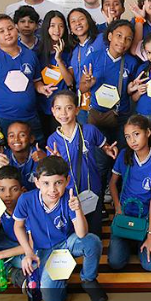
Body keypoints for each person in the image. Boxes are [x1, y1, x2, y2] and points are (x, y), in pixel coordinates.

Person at [13, 156, 108, 301]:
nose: (52, 189)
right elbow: (18, 226)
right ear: (37, 182)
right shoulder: (26, 199)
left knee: (92, 241)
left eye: (58, 183)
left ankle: (88, 279)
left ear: (67, 181)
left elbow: (82, 234)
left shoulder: (69, 198)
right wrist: (28, 252)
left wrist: (78, 210)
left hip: (66, 244)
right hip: (43, 251)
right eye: (46, 183)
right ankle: (61, 276)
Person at [46, 90, 118, 239]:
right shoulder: (52, 140)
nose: (63, 113)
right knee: (73, 232)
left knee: (94, 230)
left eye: (69, 107)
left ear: (77, 109)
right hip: (69, 195)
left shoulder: (90, 130)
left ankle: (93, 255)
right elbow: (53, 172)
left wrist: (108, 149)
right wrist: (56, 161)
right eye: (58, 108)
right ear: (53, 111)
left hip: (93, 190)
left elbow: (103, 145)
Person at [0, 13, 54, 143]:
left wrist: (42, 88)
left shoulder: (30, 55)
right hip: (5, 118)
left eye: (10, 28)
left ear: (16, 29)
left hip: (31, 116)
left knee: (37, 150)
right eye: (1, 31)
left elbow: (36, 82)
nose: (7, 33)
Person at [109, 115, 151, 272]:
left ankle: (138, 240)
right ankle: (130, 241)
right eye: (127, 136)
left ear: (147, 132)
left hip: (146, 219)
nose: (132, 140)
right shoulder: (123, 155)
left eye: (136, 134)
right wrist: (118, 208)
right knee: (115, 263)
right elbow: (112, 183)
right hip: (124, 216)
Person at [79, 19, 142, 146]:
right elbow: (82, 88)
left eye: (128, 39)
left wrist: (130, 90)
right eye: (119, 36)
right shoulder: (94, 57)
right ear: (110, 36)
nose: (122, 41)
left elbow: (131, 93)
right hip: (96, 115)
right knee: (100, 157)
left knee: (122, 152)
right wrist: (87, 84)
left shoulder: (131, 62)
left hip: (120, 116)